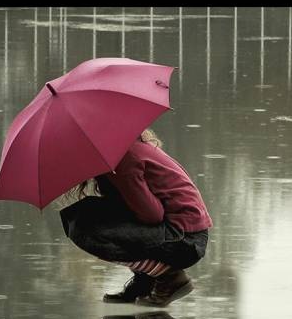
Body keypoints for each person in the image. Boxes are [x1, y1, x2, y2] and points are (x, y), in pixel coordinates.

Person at [60, 129, 213, 307]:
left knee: (86, 230)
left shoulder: (123, 159)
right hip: (183, 231)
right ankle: (145, 281)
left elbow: (152, 215)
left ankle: (170, 277)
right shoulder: (124, 147)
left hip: (185, 240)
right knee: (80, 214)